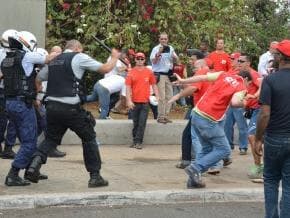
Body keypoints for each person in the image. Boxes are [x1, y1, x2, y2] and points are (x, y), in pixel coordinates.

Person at [24, 39, 120, 188]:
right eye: (81, 49)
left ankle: (33, 166)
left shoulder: (54, 60)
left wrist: (38, 98)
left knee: (50, 139)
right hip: (71, 108)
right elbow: (106, 69)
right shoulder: (79, 57)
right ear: (77, 48)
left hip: (52, 107)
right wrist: (114, 57)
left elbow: (38, 79)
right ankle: (95, 176)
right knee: (89, 138)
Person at [174, 70, 250, 188]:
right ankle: (196, 168)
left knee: (206, 149)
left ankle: (193, 181)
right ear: (246, 80)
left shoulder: (223, 74)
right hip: (209, 118)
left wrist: (183, 80)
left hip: (196, 113)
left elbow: (202, 78)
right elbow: (235, 102)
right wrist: (244, 102)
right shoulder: (241, 86)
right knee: (224, 150)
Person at [1, 31, 57, 186]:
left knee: (30, 135)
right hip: (22, 104)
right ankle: (13, 174)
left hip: (10, 103)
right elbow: (48, 58)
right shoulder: (27, 56)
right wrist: (62, 53)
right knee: (30, 142)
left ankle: (31, 170)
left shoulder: (7, 59)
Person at [255, 39, 290, 218]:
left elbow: (265, 114)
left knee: (270, 181)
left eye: (276, 54)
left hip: (275, 137)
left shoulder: (270, 80)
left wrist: (259, 139)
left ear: (280, 58)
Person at [237, 53, 263, 181]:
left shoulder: (252, 73)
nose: (239, 63)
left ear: (248, 63)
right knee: (255, 138)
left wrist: (254, 96)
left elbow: (262, 85)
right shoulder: (241, 73)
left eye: (241, 61)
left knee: (252, 137)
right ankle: (260, 165)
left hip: (258, 109)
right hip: (250, 110)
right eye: (238, 61)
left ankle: (259, 167)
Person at [126, 52, 159, 149]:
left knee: (142, 122)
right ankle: (135, 140)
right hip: (134, 101)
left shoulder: (149, 72)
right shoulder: (131, 72)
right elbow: (127, 88)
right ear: (135, 59)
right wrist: (128, 100)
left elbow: (154, 85)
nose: (140, 60)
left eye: (142, 59)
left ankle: (138, 142)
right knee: (135, 122)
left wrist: (157, 96)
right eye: (138, 58)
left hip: (145, 102)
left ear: (144, 60)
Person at [150, 32, 178, 124]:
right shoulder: (156, 49)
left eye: (165, 39)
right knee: (161, 96)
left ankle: (166, 115)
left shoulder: (171, 48)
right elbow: (153, 61)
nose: (163, 40)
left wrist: (174, 57)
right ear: (159, 39)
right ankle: (160, 116)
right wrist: (159, 53)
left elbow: (176, 60)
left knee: (169, 96)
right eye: (162, 39)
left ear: (167, 39)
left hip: (168, 74)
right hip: (159, 74)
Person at [224, 52, 248, 154]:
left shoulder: (245, 72)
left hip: (238, 101)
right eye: (232, 59)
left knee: (241, 125)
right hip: (229, 102)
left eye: (235, 59)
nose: (232, 61)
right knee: (227, 125)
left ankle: (243, 147)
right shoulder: (230, 71)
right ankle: (228, 145)